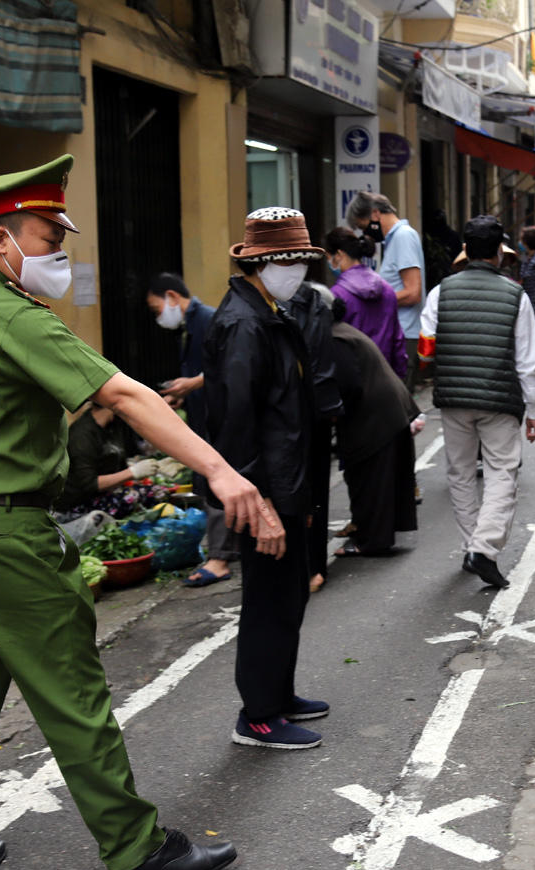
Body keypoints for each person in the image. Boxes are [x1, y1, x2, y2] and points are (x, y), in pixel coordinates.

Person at [0, 155, 266, 870]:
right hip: (8, 532)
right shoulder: (8, 313)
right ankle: (136, 850)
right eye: (46, 238)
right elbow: (126, 395)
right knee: (72, 693)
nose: (58, 255)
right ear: (1, 239)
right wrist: (222, 470)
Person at [204, 207, 329, 750]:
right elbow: (237, 425)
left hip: (287, 482)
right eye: (286, 259)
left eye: (301, 259)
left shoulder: (272, 310)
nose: (296, 269)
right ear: (258, 262)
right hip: (264, 488)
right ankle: (257, 715)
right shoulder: (245, 322)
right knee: (267, 601)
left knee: (288, 597)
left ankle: (277, 694)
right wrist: (263, 506)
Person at [419, 215, 535, 589]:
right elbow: (528, 361)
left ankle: (471, 544)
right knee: (501, 472)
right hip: (500, 400)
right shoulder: (515, 296)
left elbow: (426, 349)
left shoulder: (441, 291)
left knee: (459, 473)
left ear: (464, 250)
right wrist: (534, 410)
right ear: (498, 254)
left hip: (453, 398)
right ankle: (483, 548)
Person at [146, 273, 235, 588]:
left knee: (215, 480)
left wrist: (194, 383)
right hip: (204, 416)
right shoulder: (191, 325)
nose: (159, 317)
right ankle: (227, 550)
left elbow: (227, 366)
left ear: (172, 296)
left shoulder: (208, 319)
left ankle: (220, 558)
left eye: (157, 309)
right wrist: (180, 394)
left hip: (219, 418)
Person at [328, 295, 421, 557]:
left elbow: (348, 385)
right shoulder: (341, 332)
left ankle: (371, 540)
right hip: (385, 408)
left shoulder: (334, 337)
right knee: (366, 475)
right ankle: (364, 527)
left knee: (372, 478)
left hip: (377, 414)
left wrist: (331, 412)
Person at [286, 282, 345, 594]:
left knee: (299, 489)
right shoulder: (318, 304)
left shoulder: (288, 305)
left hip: (296, 411)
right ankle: (312, 568)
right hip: (318, 408)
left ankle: (308, 568)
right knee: (315, 491)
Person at [346, 192, 425, 390]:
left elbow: (413, 291)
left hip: (404, 333)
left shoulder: (402, 237)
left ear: (375, 214)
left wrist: (372, 304)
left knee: (396, 404)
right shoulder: (395, 239)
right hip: (399, 331)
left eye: (364, 227)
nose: (365, 235)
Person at [323, 227, 407, 379]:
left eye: (329, 257)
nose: (329, 263)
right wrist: (399, 378)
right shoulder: (387, 290)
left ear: (339, 254)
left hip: (354, 382)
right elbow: (398, 340)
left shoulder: (337, 296)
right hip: (386, 379)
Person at [56, 404, 157, 513]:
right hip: (79, 502)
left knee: (158, 491)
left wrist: (155, 466)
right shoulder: (82, 435)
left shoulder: (112, 426)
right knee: (134, 497)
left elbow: (119, 463)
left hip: (106, 492)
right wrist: (133, 472)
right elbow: (89, 484)